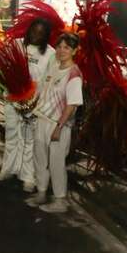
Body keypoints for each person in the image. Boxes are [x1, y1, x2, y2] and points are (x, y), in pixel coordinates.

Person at [0, 18, 55, 191]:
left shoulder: (50, 53)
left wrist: (39, 102)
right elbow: (4, 68)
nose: (37, 35)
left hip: (34, 104)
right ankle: (8, 169)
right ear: (29, 31)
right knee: (12, 135)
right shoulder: (16, 44)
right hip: (13, 99)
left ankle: (28, 177)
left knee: (30, 141)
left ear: (46, 36)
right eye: (34, 31)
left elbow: (49, 80)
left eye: (41, 33)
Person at [25, 32, 83, 213]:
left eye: (67, 47)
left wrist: (59, 127)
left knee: (56, 163)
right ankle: (41, 193)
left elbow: (72, 105)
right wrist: (29, 105)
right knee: (39, 159)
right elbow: (41, 90)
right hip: (42, 120)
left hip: (59, 125)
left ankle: (60, 200)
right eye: (59, 46)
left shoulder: (74, 74)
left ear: (75, 50)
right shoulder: (53, 66)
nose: (61, 50)